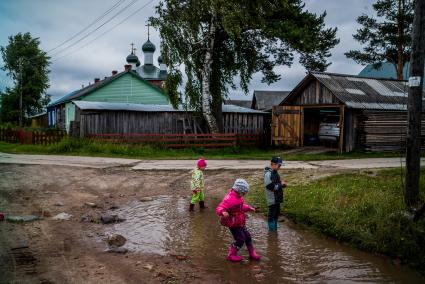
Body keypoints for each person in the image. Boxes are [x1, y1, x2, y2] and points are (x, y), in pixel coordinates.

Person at [216, 178, 261, 262]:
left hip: (240, 222)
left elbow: (241, 206)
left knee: (247, 237)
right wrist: (223, 212)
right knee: (240, 239)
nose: (244, 194)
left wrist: (249, 208)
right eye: (244, 193)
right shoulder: (229, 199)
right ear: (239, 191)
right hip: (233, 224)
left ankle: (252, 253)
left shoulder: (239, 197)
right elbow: (219, 207)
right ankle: (231, 254)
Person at [264, 156, 287, 231]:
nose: (280, 167)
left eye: (280, 165)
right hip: (272, 199)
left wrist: (282, 183)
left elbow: (277, 182)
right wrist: (281, 185)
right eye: (279, 165)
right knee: (272, 214)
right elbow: (270, 186)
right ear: (273, 164)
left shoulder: (275, 172)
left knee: (277, 212)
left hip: (277, 197)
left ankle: (275, 225)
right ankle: (272, 229)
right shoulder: (268, 174)